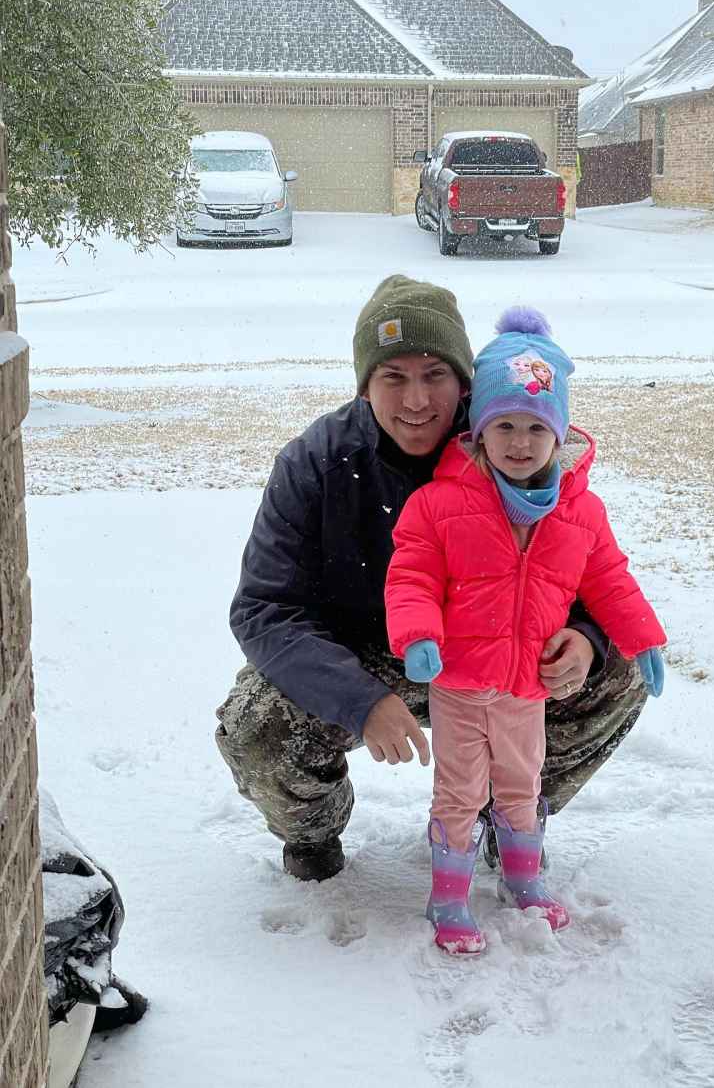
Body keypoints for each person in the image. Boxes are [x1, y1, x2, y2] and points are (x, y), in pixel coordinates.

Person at [216, 275, 654, 885]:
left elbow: (588, 569)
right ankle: (313, 833)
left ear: (466, 383)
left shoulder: (514, 438)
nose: (416, 400)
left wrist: (586, 638)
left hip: (499, 655)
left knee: (621, 673)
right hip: (366, 657)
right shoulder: (314, 461)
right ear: (365, 383)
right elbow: (263, 609)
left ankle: (511, 816)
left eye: (434, 375)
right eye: (393, 377)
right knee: (255, 725)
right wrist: (359, 700)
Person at [385, 307, 666, 954]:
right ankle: (449, 895)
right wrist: (418, 636)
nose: (518, 441)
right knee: (459, 790)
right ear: (479, 432)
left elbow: (610, 580)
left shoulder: (579, 510)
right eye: (503, 424)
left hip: (526, 687)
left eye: (535, 426)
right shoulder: (443, 502)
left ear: (558, 432)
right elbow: (411, 576)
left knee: (521, 783)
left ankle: (522, 876)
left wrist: (641, 637)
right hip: (458, 683)